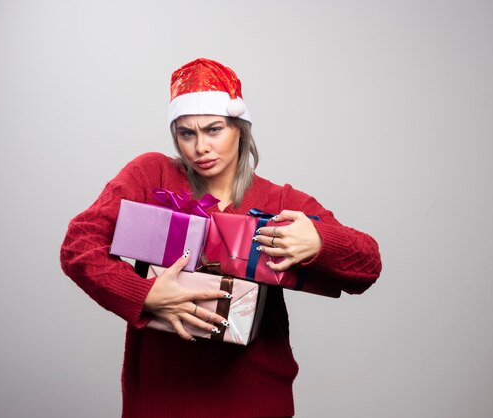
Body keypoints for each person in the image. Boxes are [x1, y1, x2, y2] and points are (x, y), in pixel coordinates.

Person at [60, 58, 382, 418]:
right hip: (161, 399)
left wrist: (320, 241)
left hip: (256, 400)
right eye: (187, 133)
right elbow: (79, 245)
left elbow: (367, 265)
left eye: (213, 130)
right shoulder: (153, 176)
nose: (201, 147)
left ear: (240, 129)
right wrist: (146, 295)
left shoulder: (279, 202)